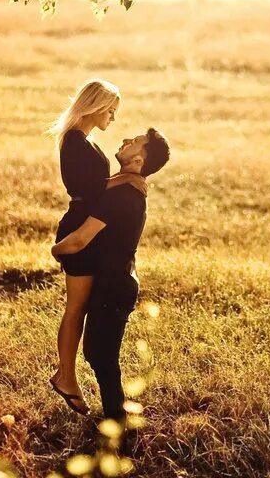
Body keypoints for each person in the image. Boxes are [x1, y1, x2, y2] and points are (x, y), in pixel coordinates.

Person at [51, 128, 171, 422]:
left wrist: (57, 250)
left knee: (102, 357)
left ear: (139, 161)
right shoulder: (129, 187)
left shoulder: (123, 196)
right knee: (98, 353)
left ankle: (117, 423)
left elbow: (80, 239)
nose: (124, 140)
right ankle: (114, 418)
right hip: (117, 283)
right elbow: (98, 186)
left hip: (114, 287)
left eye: (134, 143)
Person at [47, 78, 120, 415]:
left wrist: (129, 180)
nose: (113, 118)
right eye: (111, 111)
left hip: (88, 229)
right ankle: (66, 377)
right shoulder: (76, 142)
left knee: (83, 307)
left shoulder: (83, 140)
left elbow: (98, 187)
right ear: (96, 106)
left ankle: (68, 373)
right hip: (80, 229)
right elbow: (92, 190)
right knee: (76, 308)